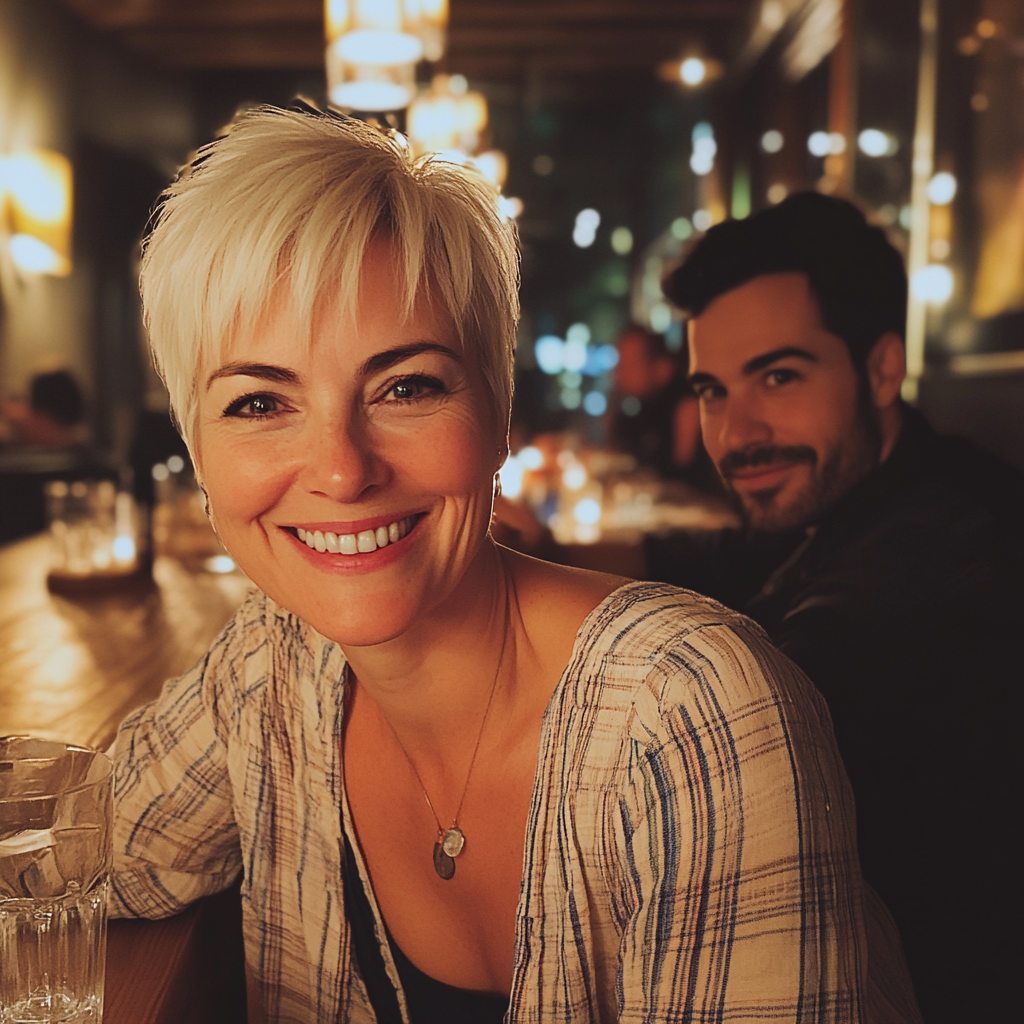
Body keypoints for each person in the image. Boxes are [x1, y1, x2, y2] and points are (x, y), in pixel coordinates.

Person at [108, 107, 919, 1023]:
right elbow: (89, 842)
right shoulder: (271, 664)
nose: (341, 469)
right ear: (196, 450)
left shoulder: (694, 721)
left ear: (499, 416)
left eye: (407, 386)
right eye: (258, 403)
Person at [654, 191, 1023, 1024]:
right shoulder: (896, 484)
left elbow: (723, 762)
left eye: (778, 377)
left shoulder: (922, 574)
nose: (737, 433)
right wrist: (533, 560)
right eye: (713, 389)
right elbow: (716, 556)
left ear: (882, 368)